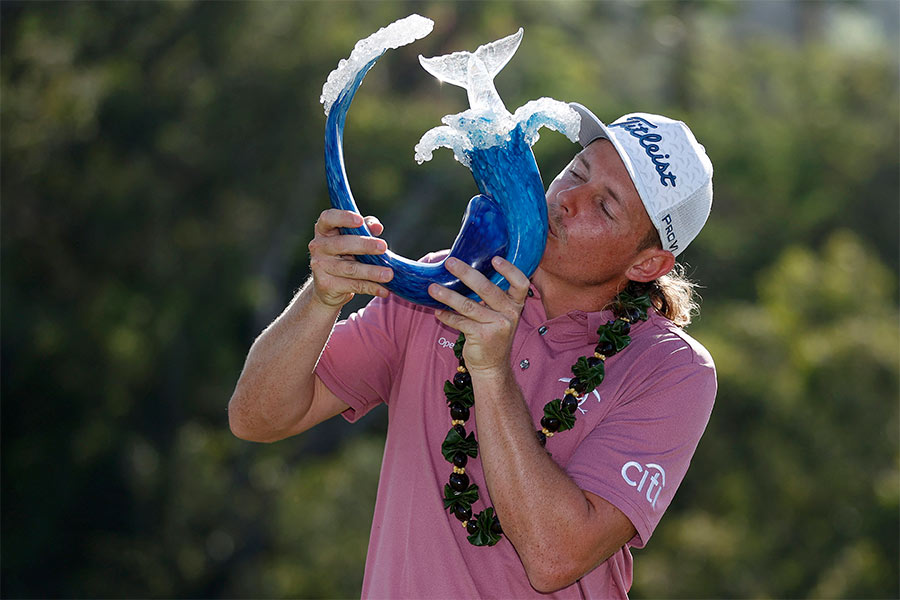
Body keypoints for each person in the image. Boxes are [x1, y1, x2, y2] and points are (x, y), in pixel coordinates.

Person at [229, 103, 717, 599]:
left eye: (605, 206)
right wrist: (321, 298)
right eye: (576, 171)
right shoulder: (443, 283)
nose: (567, 200)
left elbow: (554, 558)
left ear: (648, 263)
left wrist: (490, 371)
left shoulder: (671, 370)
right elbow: (257, 418)